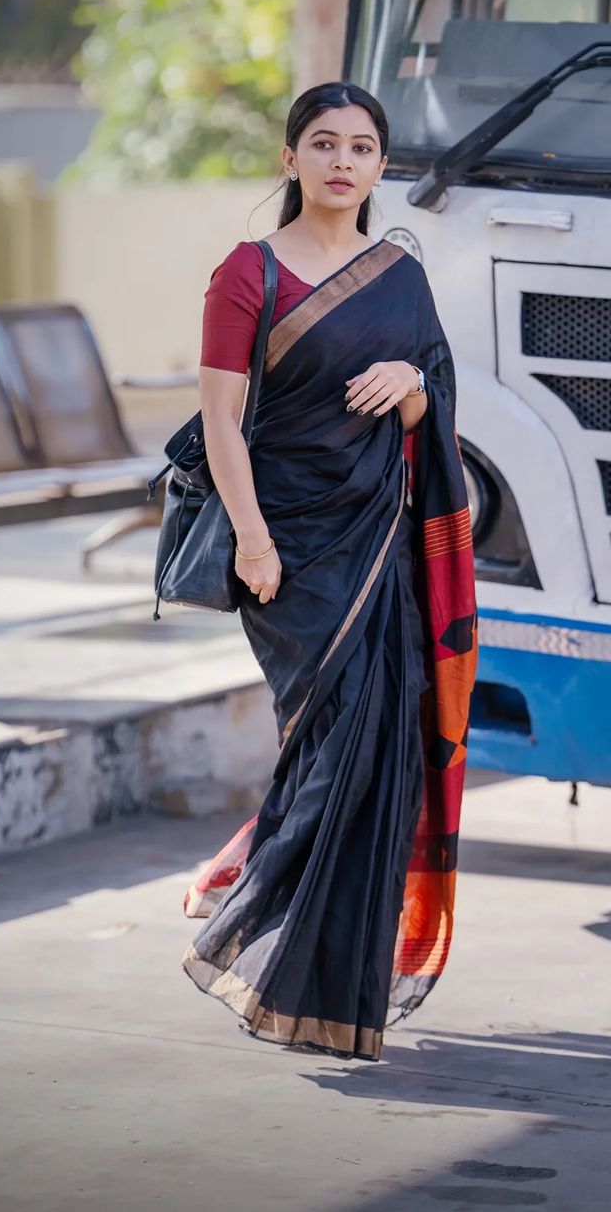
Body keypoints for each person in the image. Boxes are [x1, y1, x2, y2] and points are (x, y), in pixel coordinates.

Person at [178, 81, 478, 1063]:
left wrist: (416, 390)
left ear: (379, 166)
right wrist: (255, 540)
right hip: (291, 550)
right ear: (291, 158)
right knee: (332, 747)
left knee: (378, 750)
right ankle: (254, 932)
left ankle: (329, 986)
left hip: (377, 541)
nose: (343, 161)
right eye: (323, 143)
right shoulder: (247, 272)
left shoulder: (400, 275)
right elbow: (223, 421)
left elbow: (437, 407)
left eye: (361, 147)